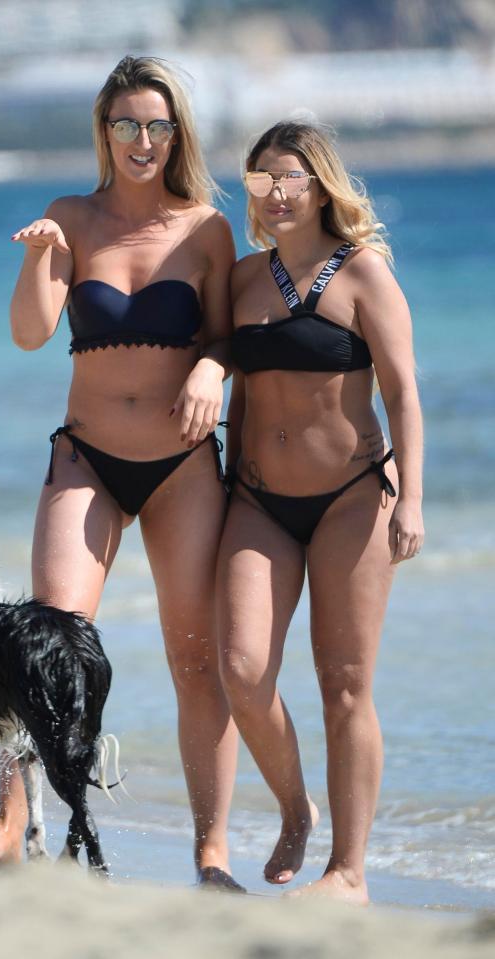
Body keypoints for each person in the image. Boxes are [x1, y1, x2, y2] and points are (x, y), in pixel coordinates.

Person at [0, 55, 243, 891]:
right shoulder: (69, 217)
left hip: (183, 465)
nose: (142, 140)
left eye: (157, 125)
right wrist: (41, 255)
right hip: (85, 457)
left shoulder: (206, 230)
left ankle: (211, 853)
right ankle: (11, 823)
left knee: (196, 660)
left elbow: (224, 336)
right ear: (103, 131)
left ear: (176, 133)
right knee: (42, 647)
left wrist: (209, 370)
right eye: (126, 125)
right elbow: (27, 334)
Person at [217, 120, 424, 904]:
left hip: (351, 498)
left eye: (288, 177)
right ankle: (295, 805)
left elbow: (403, 392)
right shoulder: (242, 279)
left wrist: (411, 496)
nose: (272, 193)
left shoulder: (364, 274)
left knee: (344, 683)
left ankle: (349, 872)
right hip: (258, 500)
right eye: (260, 179)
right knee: (241, 668)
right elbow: (224, 369)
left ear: (321, 183)